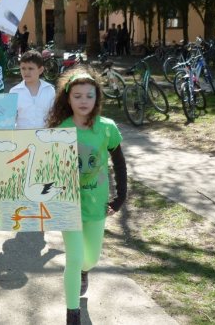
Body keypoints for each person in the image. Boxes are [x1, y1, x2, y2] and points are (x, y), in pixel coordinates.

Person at [45, 66, 127, 325]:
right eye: (77, 95)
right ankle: (72, 313)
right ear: (68, 99)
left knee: (90, 259)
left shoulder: (107, 128)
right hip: (68, 205)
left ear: (97, 98)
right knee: (74, 256)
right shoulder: (60, 129)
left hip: (97, 203)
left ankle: (84, 271)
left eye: (89, 96)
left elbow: (119, 162)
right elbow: (46, 166)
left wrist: (120, 196)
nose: (83, 101)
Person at [9, 50, 55, 128]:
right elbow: (10, 118)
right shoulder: (14, 92)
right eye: (23, 68)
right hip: (22, 137)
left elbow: (53, 115)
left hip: (44, 136)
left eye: (30, 68)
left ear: (40, 70)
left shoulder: (49, 90)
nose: (26, 72)